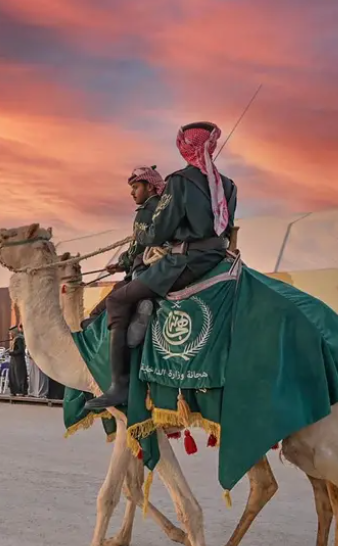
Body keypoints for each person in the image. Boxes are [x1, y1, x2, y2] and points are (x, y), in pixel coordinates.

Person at [85, 122, 236, 412]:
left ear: (185, 147)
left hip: (185, 261)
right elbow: (226, 228)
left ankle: (119, 385)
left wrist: (143, 236)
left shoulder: (179, 180)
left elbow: (157, 233)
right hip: (216, 259)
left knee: (117, 298)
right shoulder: (228, 185)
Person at [85, 166, 166, 330]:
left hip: (143, 272)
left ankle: (109, 355)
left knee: (97, 313)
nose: (132, 193)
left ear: (149, 186)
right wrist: (122, 264)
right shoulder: (163, 207)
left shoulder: (146, 211)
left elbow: (138, 248)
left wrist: (123, 262)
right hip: (159, 269)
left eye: (136, 187)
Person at [7, 325, 28, 396]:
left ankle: (21, 391)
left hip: (19, 360)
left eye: (11, 333)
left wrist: (12, 353)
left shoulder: (19, 339)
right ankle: (14, 391)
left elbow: (20, 350)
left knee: (19, 375)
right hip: (13, 359)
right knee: (13, 375)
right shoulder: (14, 339)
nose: (10, 334)